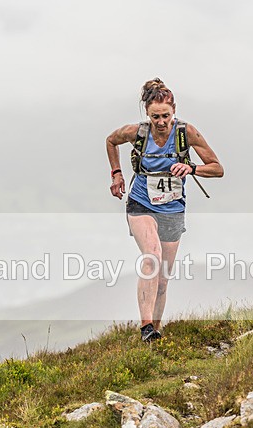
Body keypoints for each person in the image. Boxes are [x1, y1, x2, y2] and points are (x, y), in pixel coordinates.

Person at [106, 78, 224, 342]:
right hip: (141, 203)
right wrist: (117, 174)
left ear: (174, 111)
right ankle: (146, 326)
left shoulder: (186, 133)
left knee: (162, 280)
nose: (161, 122)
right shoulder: (136, 132)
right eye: (155, 116)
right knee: (152, 256)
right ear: (147, 114)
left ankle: (154, 334)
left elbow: (217, 169)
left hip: (172, 208)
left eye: (165, 116)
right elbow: (111, 141)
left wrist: (191, 168)